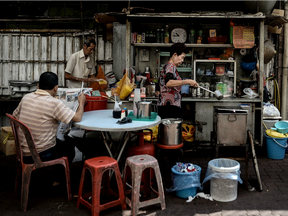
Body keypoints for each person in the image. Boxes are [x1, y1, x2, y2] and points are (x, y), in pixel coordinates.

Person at [13, 71, 86, 165]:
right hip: (41, 153)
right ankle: (59, 179)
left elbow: (14, 116)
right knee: (68, 146)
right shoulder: (53, 103)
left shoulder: (26, 97)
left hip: (22, 151)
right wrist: (81, 102)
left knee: (59, 142)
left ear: (38, 86)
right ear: (56, 88)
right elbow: (78, 118)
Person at [157, 43, 198, 119]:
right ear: (175, 55)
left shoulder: (168, 66)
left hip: (167, 106)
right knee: (171, 130)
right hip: (169, 107)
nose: (182, 60)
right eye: (182, 57)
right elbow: (168, 82)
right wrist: (187, 81)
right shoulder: (170, 66)